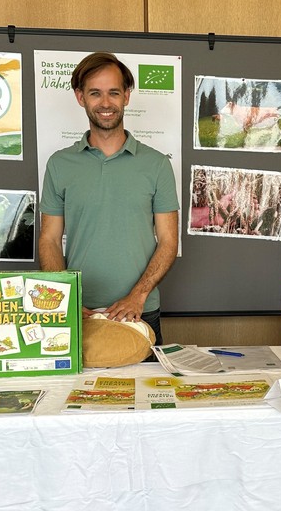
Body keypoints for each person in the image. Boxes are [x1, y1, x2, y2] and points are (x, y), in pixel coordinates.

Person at [38, 52, 180, 346]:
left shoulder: (156, 164)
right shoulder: (59, 164)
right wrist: (66, 299)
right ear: (80, 97)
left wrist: (137, 296)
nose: (105, 103)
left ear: (126, 96)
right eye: (95, 93)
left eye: (114, 92)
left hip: (140, 313)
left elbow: (168, 241)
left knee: (149, 392)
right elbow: (49, 239)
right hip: (80, 313)